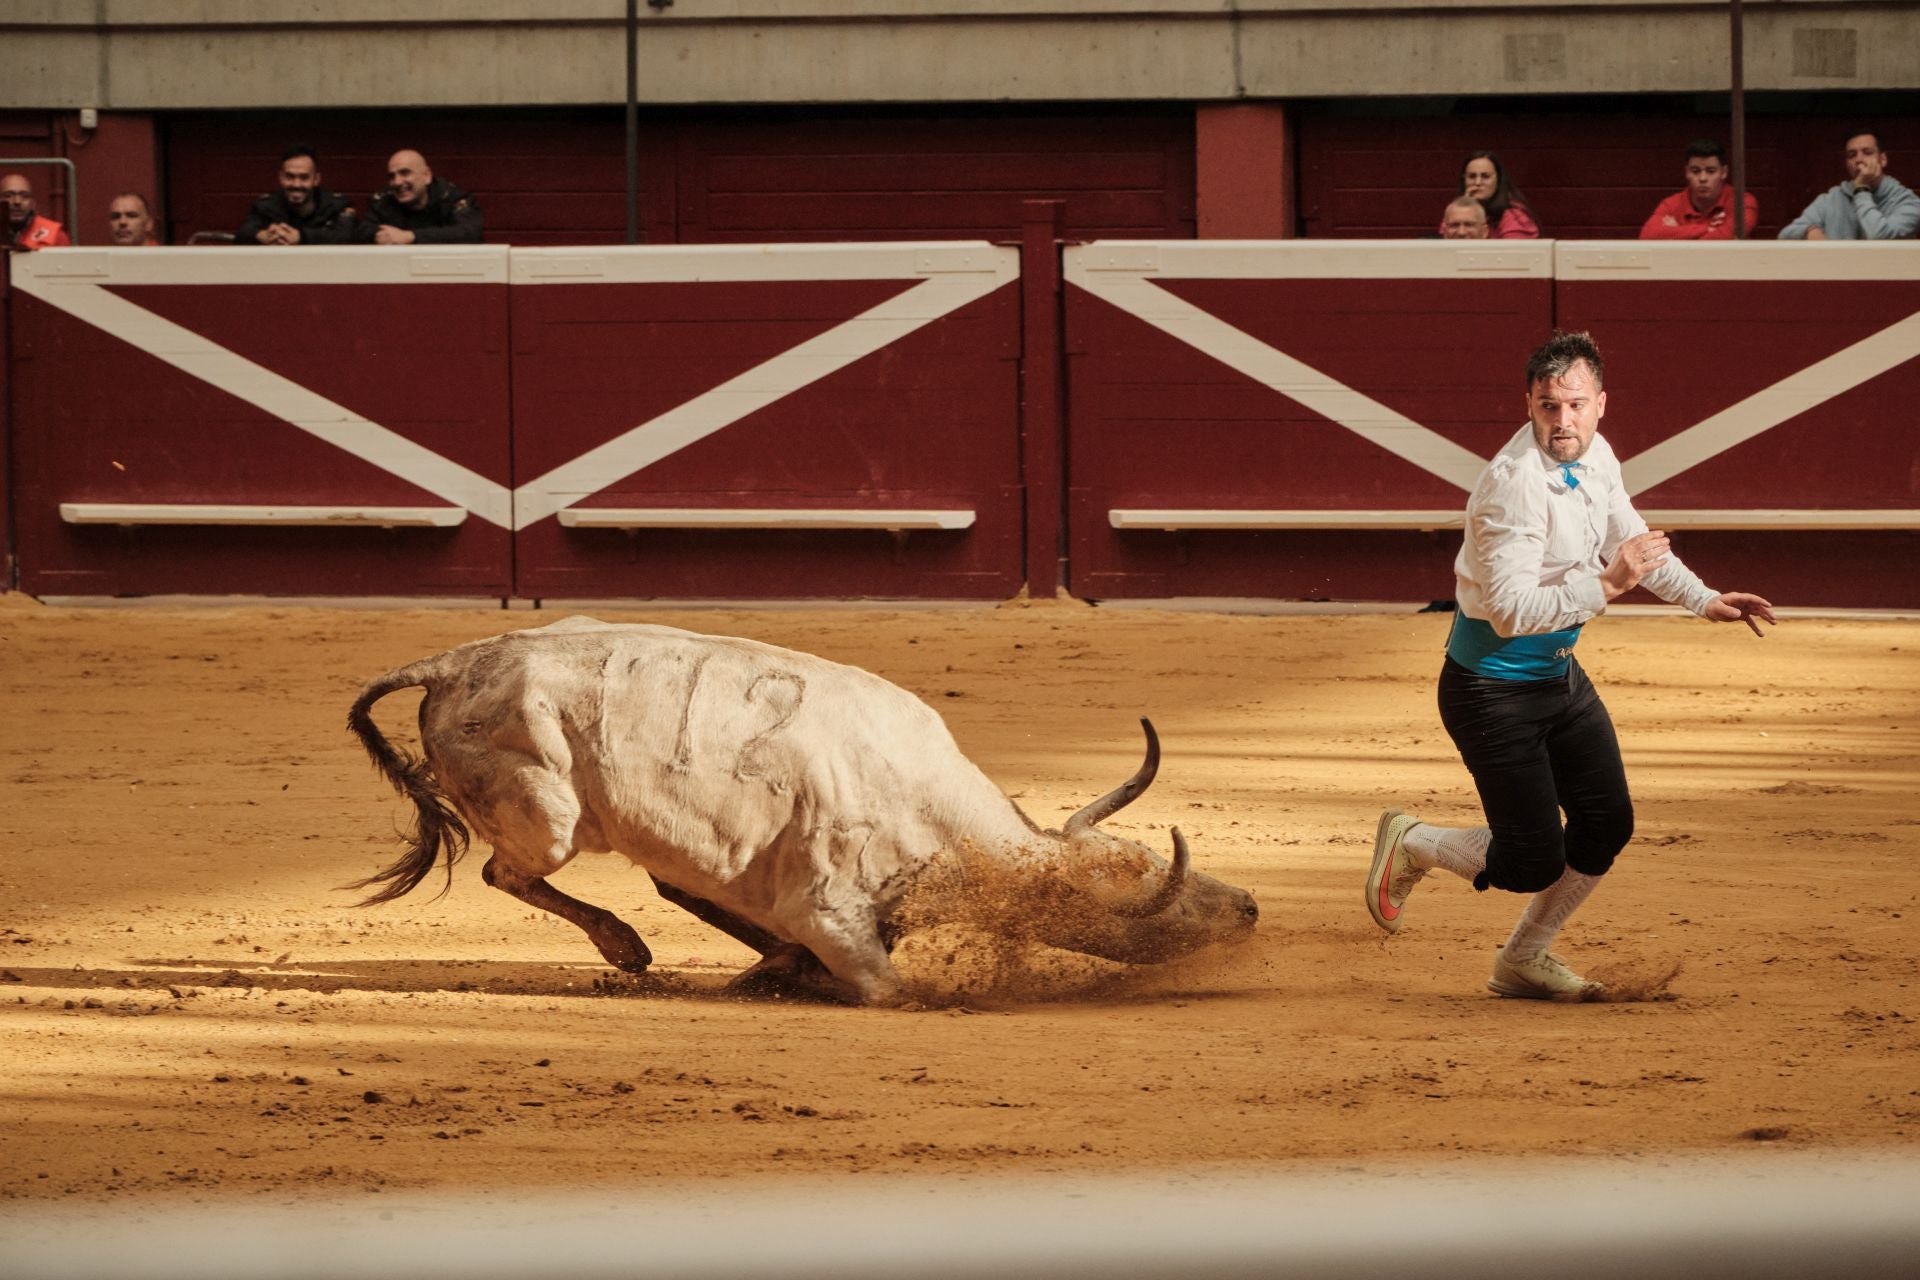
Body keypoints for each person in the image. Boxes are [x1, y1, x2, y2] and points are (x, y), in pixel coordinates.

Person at [1365, 331, 1775, 1000]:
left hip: (1557, 678)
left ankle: (1524, 957)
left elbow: (1633, 543)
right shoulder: (1512, 486)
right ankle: (1413, 841)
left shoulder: (1598, 454)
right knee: (1529, 861)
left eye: (1576, 406)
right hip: (1490, 691)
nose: (1563, 422)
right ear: (1528, 404)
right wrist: (1607, 587)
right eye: (1549, 407)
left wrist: (1703, 599)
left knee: (1607, 822)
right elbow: (1508, 612)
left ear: (1601, 404)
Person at [1778, 131, 1918, 240]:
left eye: (1867, 153)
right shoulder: (1831, 199)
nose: (1859, 160)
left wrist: (1862, 189)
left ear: (1883, 159)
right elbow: (1785, 235)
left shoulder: (1909, 203)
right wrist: (1809, 232)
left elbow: (1879, 238)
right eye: (1852, 155)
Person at [236, 145, 361, 245]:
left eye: (304, 177)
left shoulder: (337, 205)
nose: (296, 184)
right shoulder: (265, 206)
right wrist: (262, 235)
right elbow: (244, 231)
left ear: (316, 179)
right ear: (280, 177)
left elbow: (347, 235)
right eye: (290, 177)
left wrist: (301, 237)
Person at [1639, 139, 1759, 240]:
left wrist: (1677, 232)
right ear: (1687, 172)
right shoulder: (1671, 204)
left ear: (1724, 172)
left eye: (1711, 171)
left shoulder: (1742, 201)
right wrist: (1707, 228)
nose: (1702, 178)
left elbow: (1733, 233)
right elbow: (1647, 235)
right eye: (1695, 171)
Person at [367, 149, 483, 244]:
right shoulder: (384, 200)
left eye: (405, 173)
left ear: (426, 176)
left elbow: (470, 232)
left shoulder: (451, 197)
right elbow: (363, 231)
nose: (397, 182)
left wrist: (411, 236)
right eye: (392, 176)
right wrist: (378, 235)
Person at [1442, 152, 1539, 239]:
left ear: (1498, 181)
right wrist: (1466, 207)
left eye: (1485, 176)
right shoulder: (1454, 211)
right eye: (1472, 176)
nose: (1478, 182)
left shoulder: (1515, 216)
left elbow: (1513, 254)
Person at [4, 173, 71, 250]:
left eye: (25, 196)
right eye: (8, 196)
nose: (17, 201)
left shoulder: (55, 236)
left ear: (33, 204)